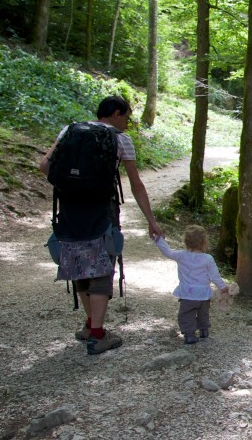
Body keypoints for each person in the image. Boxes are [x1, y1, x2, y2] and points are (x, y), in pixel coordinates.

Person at [40, 95, 163, 354]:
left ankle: (89, 325)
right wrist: (151, 220)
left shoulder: (70, 130)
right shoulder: (120, 140)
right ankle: (98, 335)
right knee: (102, 268)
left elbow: (44, 166)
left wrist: (74, 186)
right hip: (102, 211)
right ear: (116, 113)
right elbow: (136, 185)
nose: (128, 123)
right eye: (127, 117)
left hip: (70, 209)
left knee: (79, 264)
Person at [153, 225, 232, 344]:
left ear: (186, 241)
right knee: (203, 313)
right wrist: (223, 287)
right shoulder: (208, 258)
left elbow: (167, 252)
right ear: (204, 242)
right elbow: (215, 276)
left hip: (187, 294)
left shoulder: (180, 255)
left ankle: (189, 334)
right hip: (203, 294)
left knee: (186, 314)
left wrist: (159, 239)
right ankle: (204, 330)